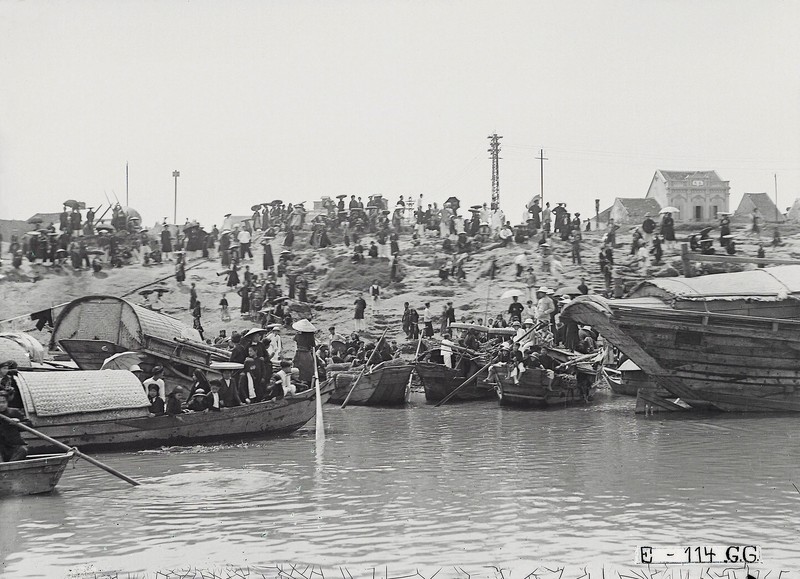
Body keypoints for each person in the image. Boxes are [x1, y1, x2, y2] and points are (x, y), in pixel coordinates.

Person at [0, 392, 28, 462]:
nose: (1, 405)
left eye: (3, 402)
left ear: (7, 402)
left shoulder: (14, 412)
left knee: (22, 450)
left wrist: (18, 422)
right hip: (2, 449)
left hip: (15, 447)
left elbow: (29, 424)